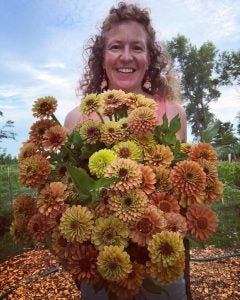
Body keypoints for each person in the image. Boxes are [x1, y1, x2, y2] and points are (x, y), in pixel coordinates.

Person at [64, 2, 187, 299]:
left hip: (159, 262)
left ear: (150, 57)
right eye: (116, 46)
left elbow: (181, 190)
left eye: (137, 48)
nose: (126, 56)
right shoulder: (77, 118)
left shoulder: (173, 113)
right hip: (99, 268)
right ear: (102, 57)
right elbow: (68, 197)